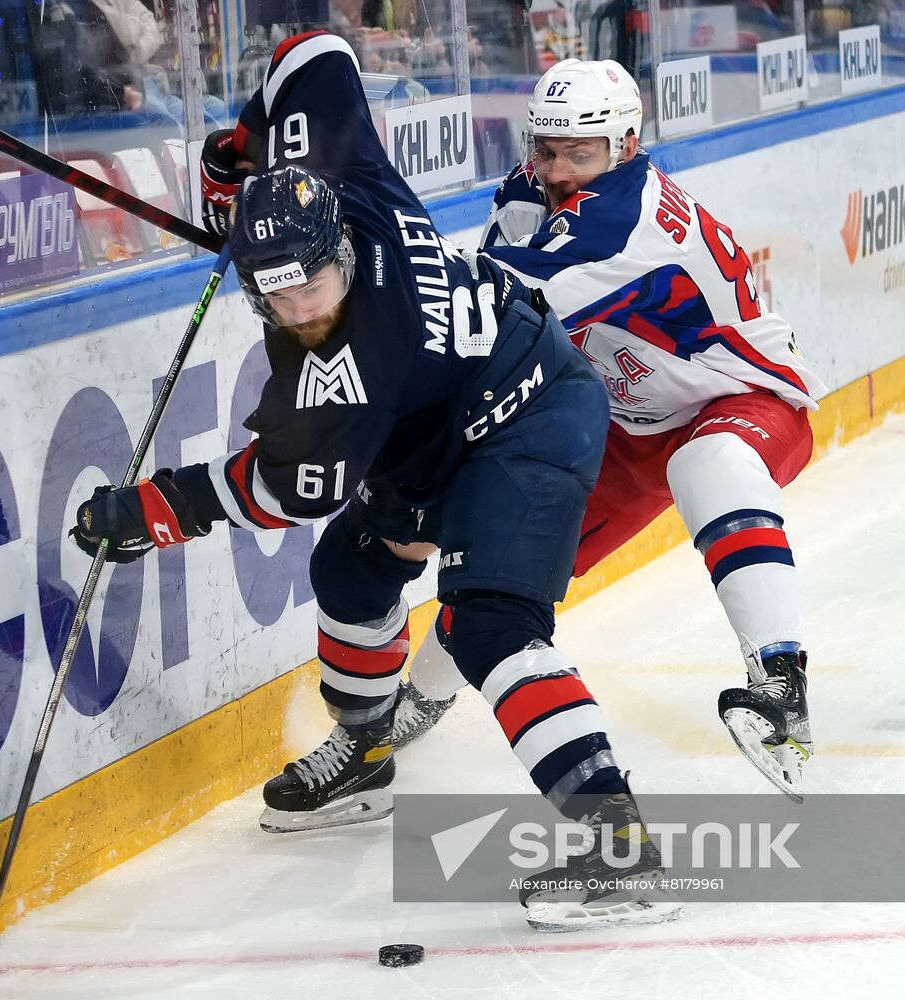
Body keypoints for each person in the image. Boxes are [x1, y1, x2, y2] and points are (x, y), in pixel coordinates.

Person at [74, 31, 680, 930]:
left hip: (533, 409)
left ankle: (618, 843)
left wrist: (156, 509)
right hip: (433, 420)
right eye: (276, 298)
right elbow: (310, 52)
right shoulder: (340, 171)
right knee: (352, 571)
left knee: (487, 624)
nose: (301, 311)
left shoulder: (348, 369)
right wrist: (240, 149)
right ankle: (365, 754)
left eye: (313, 287)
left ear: (340, 254)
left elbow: (285, 489)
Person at [404, 59, 827, 802]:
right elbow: (481, 278)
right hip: (626, 428)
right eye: (546, 148)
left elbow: (482, 312)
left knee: (708, 465)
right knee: (493, 576)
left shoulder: (620, 225)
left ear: (626, 145)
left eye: (580, 153)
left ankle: (779, 685)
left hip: (738, 398)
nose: (558, 169)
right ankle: (404, 711)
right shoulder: (529, 191)